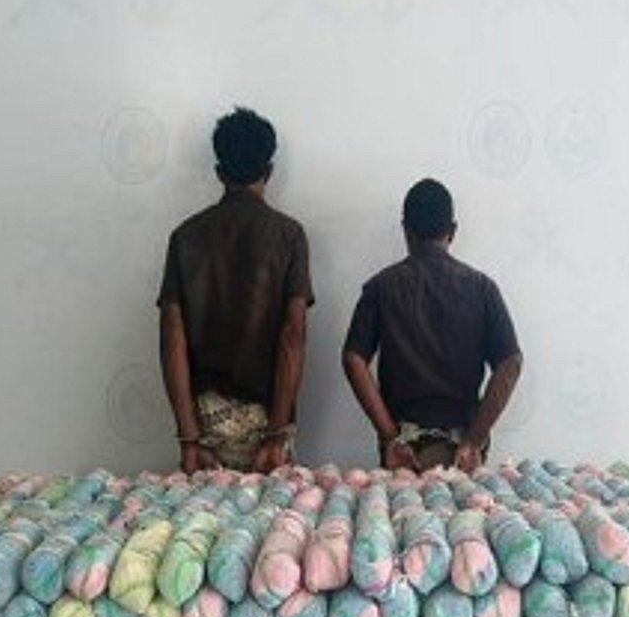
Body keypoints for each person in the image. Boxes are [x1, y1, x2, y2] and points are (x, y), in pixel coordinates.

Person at [158, 107, 313, 473]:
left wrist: (189, 439)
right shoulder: (289, 236)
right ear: (269, 171)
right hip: (269, 425)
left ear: (219, 172)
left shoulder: (185, 237)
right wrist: (276, 435)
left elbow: (171, 339)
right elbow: (293, 336)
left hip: (205, 428)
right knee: (275, 513)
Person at [341, 178, 523, 472]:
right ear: (452, 231)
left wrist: (390, 436)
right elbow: (511, 363)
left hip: (403, 450)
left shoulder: (381, 288)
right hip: (462, 451)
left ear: (405, 229)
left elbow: (353, 358)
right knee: (467, 505)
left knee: (398, 504)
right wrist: (474, 440)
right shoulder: (482, 289)